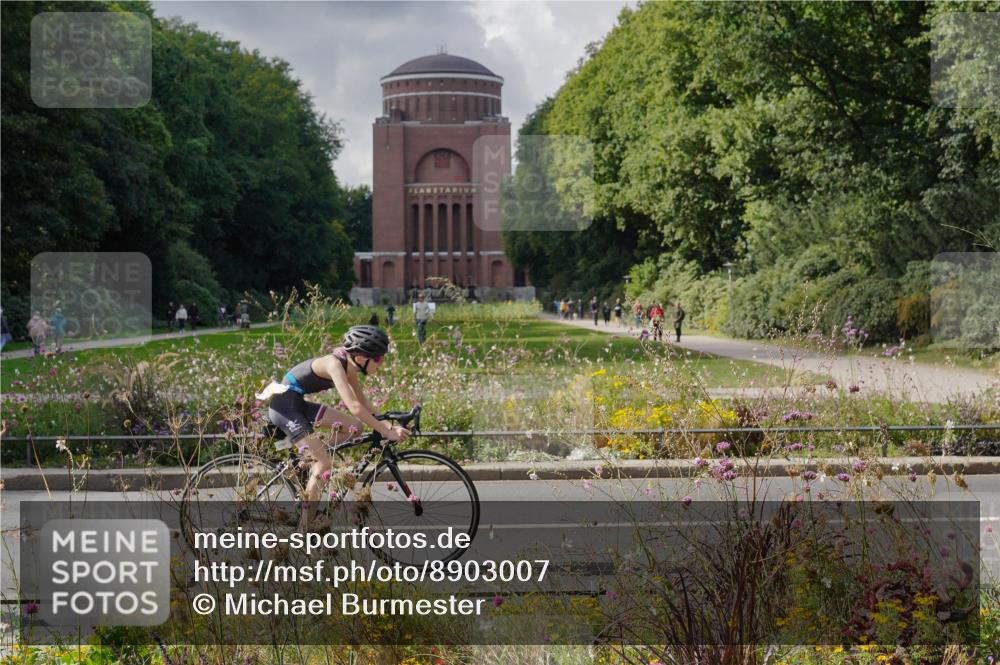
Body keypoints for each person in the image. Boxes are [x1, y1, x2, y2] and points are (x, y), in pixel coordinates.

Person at [258, 325, 408, 527]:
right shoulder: (334, 365)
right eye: (379, 359)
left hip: (298, 404)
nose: (382, 363)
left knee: (355, 427)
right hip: (284, 408)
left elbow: (363, 404)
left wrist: (389, 426)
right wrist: (386, 432)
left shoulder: (349, 366)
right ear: (361, 358)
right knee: (324, 464)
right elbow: (354, 406)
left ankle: (309, 454)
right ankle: (304, 531)